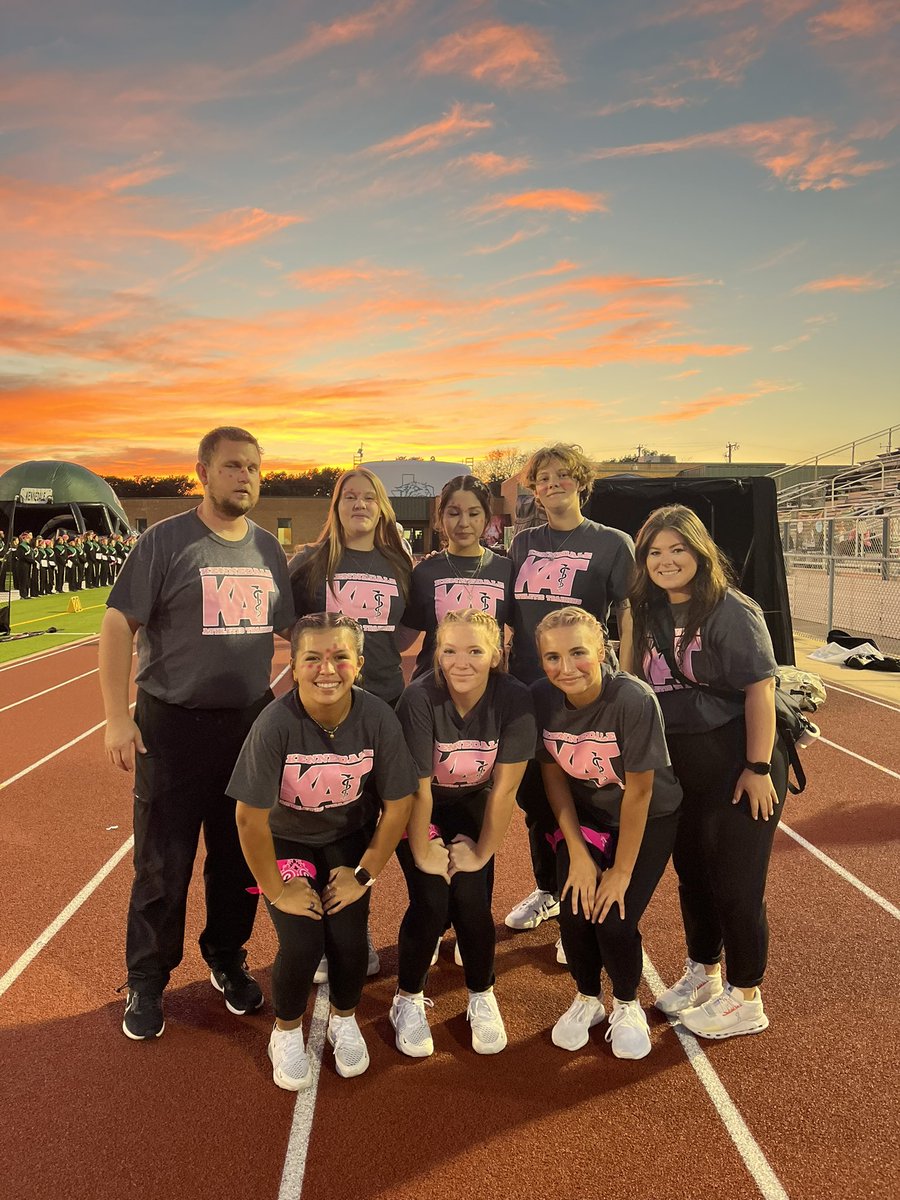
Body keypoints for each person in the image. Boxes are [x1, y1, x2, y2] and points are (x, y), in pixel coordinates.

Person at [99, 426, 295, 1040]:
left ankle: (226, 957)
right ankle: (147, 979)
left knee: (239, 858)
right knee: (163, 861)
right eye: (233, 466)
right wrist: (115, 714)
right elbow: (114, 626)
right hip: (173, 727)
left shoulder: (268, 550)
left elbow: (297, 630)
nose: (246, 478)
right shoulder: (164, 542)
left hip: (248, 726)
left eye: (255, 469)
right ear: (203, 473)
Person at [229, 613, 417, 1089]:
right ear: (293, 667)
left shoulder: (377, 718)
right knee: (302, 938)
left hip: (347, 837)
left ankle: (343, 1018)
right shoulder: (274, 725)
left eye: (339, 657)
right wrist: (275, 890)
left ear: (359, 664)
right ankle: (286, 1031)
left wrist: (365, 874)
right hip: (289, 839)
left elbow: (399, 805)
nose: (326, 669)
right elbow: (249, 819)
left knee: (349, 938)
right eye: (312, 658)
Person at [622, 504, 788, 1039]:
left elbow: (760, 690)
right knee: (692, 872)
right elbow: (632, 683)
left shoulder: (730, 609)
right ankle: (704, 971)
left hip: (737, 756)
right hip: (678, 762)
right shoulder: (643, 612)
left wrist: (758, 767)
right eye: (655, 551)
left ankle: (747, 994)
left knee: (736, 881)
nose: (666, 561)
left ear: (700, 552)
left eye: (678, 549)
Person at [533, 606, 681, 1059]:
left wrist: (619, 871)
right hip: (589, 820)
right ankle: (586, 999)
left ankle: (626, 1002)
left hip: (647, 817)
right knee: (575, 911)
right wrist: (576, 852)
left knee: (613, 917)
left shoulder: (632, 700)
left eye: (578, 652)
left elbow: (638, 794)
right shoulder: (542, 698)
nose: (566, 667)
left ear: (602, 650)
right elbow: (553, 775)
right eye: (553, 657)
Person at [504, 444, 636, 936]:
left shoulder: (612, 543)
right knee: (538, 796)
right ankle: (549, 889)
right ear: (534, 488)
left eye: (563, 474)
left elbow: (627, 609)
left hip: (584, 689)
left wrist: (630, 671)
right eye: (543, 477)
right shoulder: (522, 543)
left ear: (581, 481)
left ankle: (590, 895)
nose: (553, 483)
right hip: (527, 688)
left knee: (589, 793)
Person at [390, 610, 535, 1058]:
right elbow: (416, 789)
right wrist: (421, 849)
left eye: (475, 650)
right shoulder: (418, 699)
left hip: (474, 802)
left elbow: (506, 787)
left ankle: (481, 991)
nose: (461, 662)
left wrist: (482, 852)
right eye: (449, 650)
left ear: (495, 655)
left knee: (472, 899)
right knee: (432, 899)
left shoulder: (514, 698)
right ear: (436, 654)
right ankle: (407, 998)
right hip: (420, 804)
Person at [289, 468, 412, 706]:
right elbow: (280, 615)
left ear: (381, 510)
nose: (360, 504)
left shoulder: (399, 565)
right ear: (336, 507)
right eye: (350, 497)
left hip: (386, 696)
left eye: (369, 498)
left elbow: (406, 626)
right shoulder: (310, 559)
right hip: (324, 697)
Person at [400, 475, 513, 681]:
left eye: (473, 513)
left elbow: (521, 630)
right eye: (454, 513)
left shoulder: (506, 569)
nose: (464, 523)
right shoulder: (424, 572)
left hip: (490, 691)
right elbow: (403, 639)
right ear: (441, 517)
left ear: (486, 518)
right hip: (434, 690)